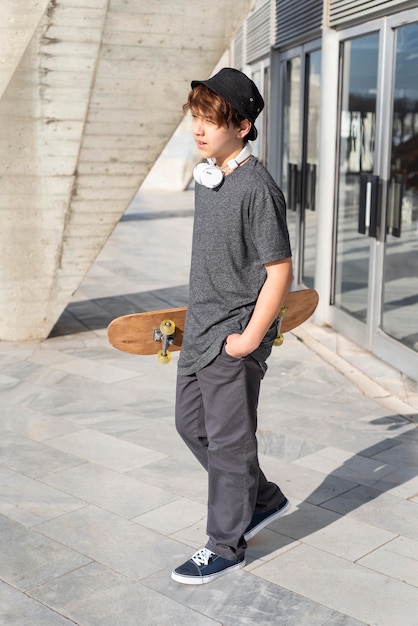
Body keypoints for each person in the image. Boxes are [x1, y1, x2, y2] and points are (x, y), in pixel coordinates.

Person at [172, 67, 293, 585]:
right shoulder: (211, 176)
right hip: (200, 331)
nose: (199, 129)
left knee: (230, 443)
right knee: (189, 425)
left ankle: (225, 544)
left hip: (232, 338)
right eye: (196, 117)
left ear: (242, 126)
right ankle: (261, 498)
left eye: (211, 120)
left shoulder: (256, 188)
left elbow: (279, 271)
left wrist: (247, 340)